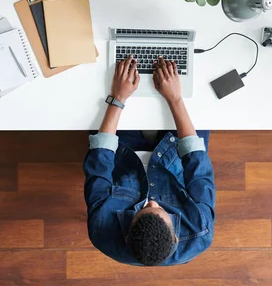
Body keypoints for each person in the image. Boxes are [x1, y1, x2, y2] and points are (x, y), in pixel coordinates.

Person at [83, 56, 215, 266]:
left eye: (143, 208)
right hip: (175, 157)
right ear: (176, 237)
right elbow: (197, 163)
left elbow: (100, 160)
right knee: (202, 94)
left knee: (99, 87)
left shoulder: (102, 230)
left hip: (125, 155)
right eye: (161, 209)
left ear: (126, 236)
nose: (151, 201)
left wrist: (118, 97)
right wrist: (175, 99)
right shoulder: (200, 230)